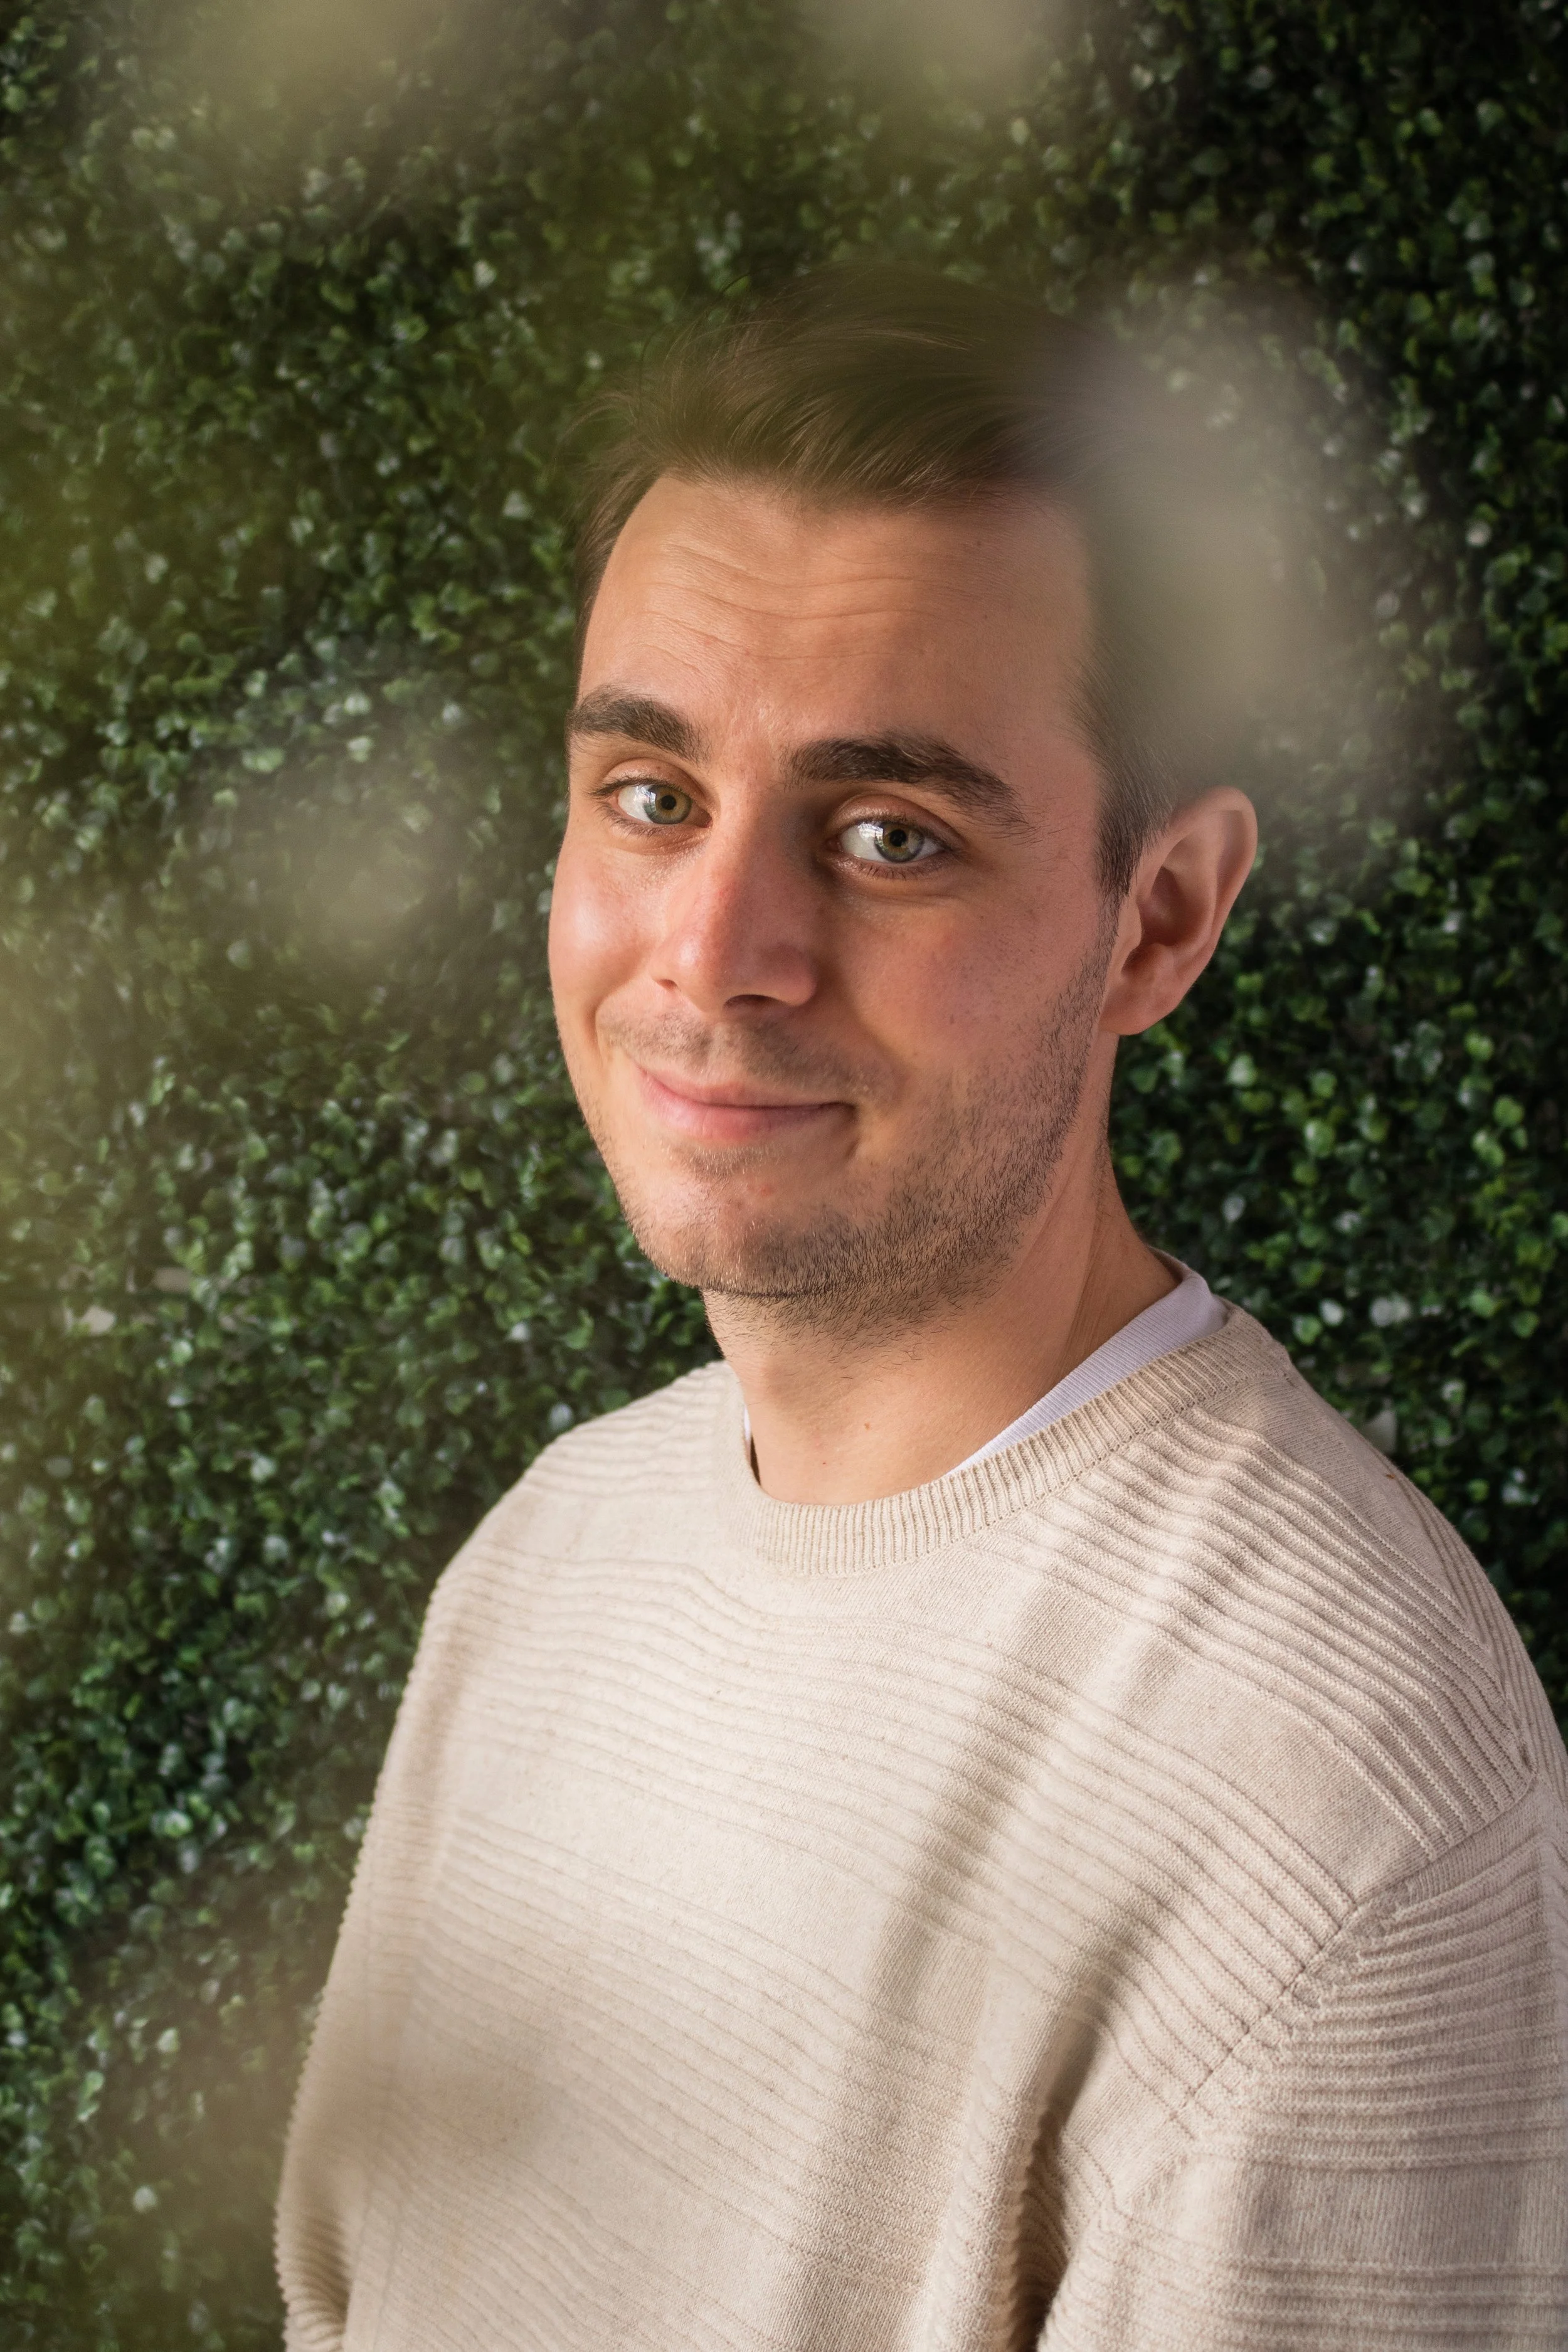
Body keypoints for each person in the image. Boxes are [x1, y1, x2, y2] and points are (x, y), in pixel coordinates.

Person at [275, 270, 1568, 2351]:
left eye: (888, 836)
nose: (718, 952)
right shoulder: (546, 1563)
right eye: (649, 796)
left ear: (1158, 917)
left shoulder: (1339, 1806)